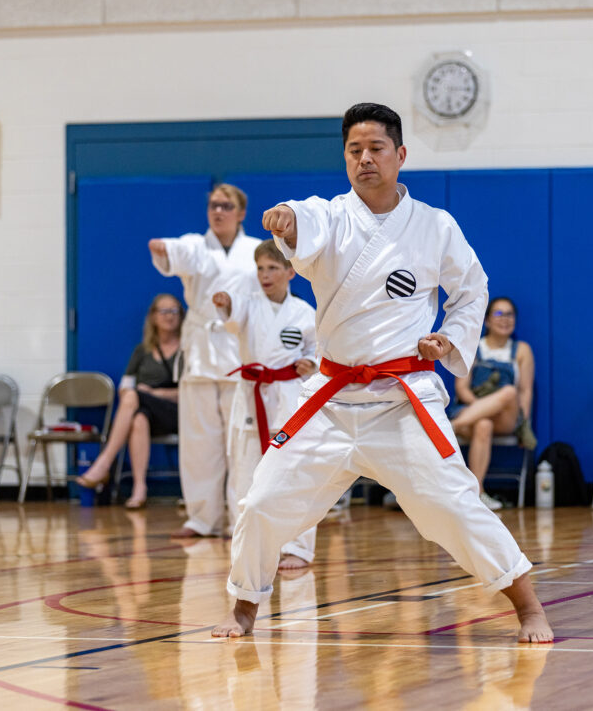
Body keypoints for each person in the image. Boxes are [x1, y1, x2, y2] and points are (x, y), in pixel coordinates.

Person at [212, 103, 552, 642]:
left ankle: (529, 606)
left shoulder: (435, 226)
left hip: (402, 399)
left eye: (375, 149)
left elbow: (472, 290)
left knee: (454, 507)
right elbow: (307, 221)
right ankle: (245, 606)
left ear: (400, 155)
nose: (364, 159)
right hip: (330, 399)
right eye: (354, 150)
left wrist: (452, 338)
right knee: (261, 503)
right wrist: (288, 220)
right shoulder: (329, 214)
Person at [149, 184, 261, 537]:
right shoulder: (197, 246)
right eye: (213, 205)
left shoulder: (257, 250)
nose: (219, 211)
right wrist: (163, 248)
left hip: (239, 351)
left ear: (241, 213)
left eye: (227, 206)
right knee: (199, 442)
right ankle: (201, 517)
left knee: (240, 443)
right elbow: (172, 252)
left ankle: (240, 515)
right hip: (200, 354)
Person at [212, 240, 317, 570]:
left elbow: (320, 350)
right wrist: (225, 303)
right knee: (246, 476)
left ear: (290, 272)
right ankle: (247, 544)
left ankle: (298, 548)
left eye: (272, 268)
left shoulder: (304, 313)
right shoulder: (248, 304)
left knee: (294, 475)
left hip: (289, 397)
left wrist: (312, 364)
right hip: (252, 399)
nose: (265, 275)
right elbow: (232, 316)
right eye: (260, 268)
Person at [76, 293, 182, 509]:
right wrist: (137, 395)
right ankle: (139, 487)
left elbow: (190, 391)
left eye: (174, 311)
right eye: (163, 311)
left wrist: (155, 393)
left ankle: (104, 462)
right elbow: (125, 387)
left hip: (177, 412)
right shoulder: (142, 351)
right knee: (138, 418)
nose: (169, 316)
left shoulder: (188, 349)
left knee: (136, 395)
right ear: (153, 316)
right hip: (148, 413)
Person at [449, 296, 535, 510]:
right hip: (473, 410)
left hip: (507, 415)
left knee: (508, 391)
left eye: (509, 314)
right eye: (498, 313)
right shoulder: (473, 347)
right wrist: (484, 406)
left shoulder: (522, 350)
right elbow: (461, 389)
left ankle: (450, 428)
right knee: (483, 424)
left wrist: (525, 426)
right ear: (486, 320)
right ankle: (477, 492)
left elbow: (524, 391)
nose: (504, 319)